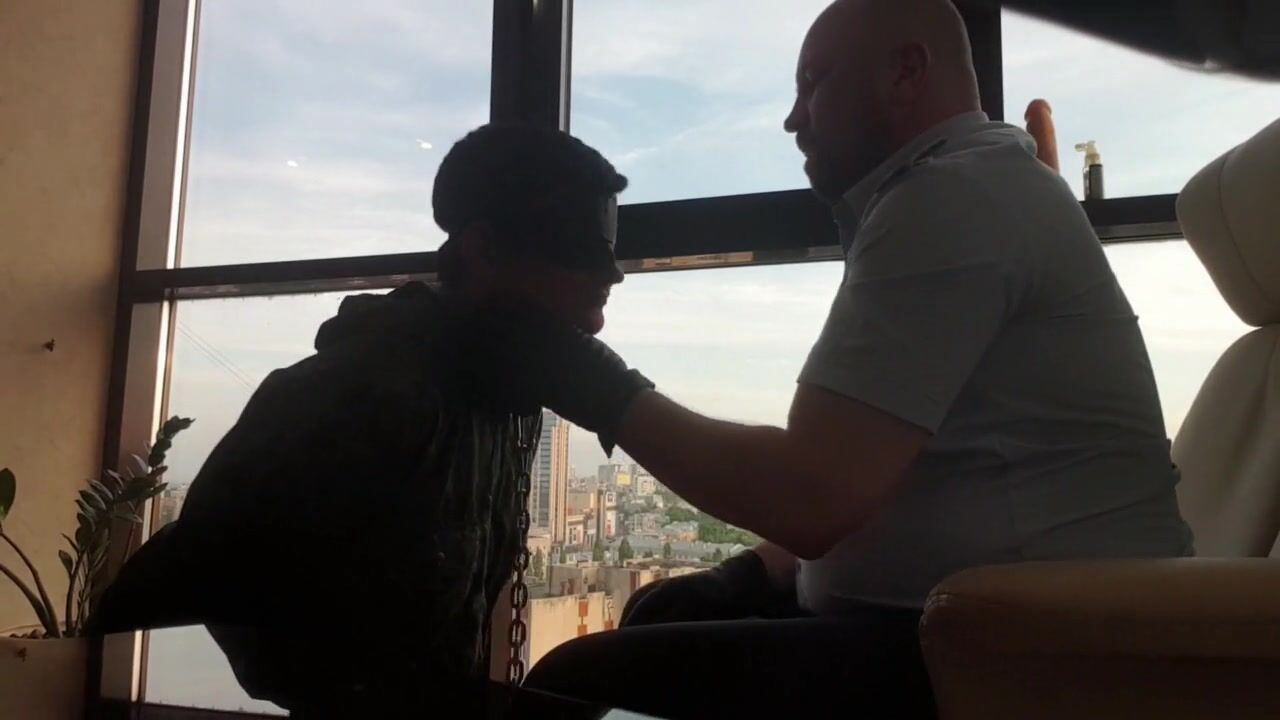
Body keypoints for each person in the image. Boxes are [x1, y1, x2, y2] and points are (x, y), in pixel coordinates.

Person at [506, 0, 1193, 716]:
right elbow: (880, 482)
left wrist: (586, 379)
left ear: (906, 71)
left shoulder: (954, 196)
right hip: (981, 629)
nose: (792, 118)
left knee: (575, 684)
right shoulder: (975, 187)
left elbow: (810, 495)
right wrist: (752, 573)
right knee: (649, 631)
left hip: (1023, 660)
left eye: (813, 84)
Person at [89, 124, 631, 715]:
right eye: (579, 255)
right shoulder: (358, 396)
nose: (608, 288)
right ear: (485, 251)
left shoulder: (491, 403)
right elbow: (191, 598)